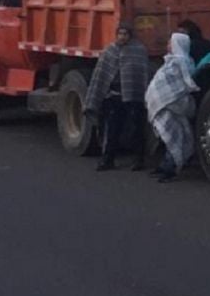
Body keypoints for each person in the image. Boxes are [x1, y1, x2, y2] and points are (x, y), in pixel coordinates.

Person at [85, 24, 150, 172]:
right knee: (112, 129)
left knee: (136, 129)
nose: (122, 37)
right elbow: (101, 75)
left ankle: (138, 160)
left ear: (130, 36)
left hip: (134, 97)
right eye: (120, 34)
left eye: (125, 34)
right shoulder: (110, 51)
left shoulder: (138, 51)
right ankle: (107, 160)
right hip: (114, 96)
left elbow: (143, 75)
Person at [145, 32, 199, 183]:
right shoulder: (174, 61)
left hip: (172, 104)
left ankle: (170, 169)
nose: (168, 45)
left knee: (173, 136)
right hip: (169, 104)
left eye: (171, 42)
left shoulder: (180, 62)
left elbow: (184, 83)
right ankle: (165, 166)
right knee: (170, 135)